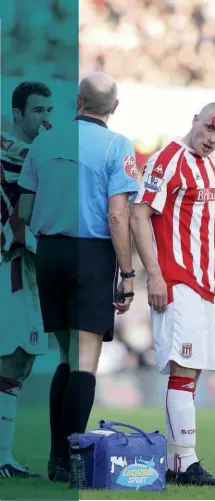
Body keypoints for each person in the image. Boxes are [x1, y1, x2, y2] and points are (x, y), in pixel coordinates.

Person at [18, 72, 138, 482]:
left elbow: (25, 208)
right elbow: (119, 214)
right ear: (114, 108)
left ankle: (55, 458)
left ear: (78, 103)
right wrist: (127, 272)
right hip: (91, 253)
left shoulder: (45, 141)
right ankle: (74, 459)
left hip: (49, 252)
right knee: (86, 362)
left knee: (66, 358)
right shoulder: (117, 144)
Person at [130, 103, 215, 486]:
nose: (213, 139)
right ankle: (185, 463)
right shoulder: (169, 158)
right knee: (183, 370)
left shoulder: (208, 166)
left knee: (189, 375)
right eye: (210, 129)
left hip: (203, 285)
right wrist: (154, 276)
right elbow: (139, 213)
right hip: (178, 282)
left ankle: (178, 464)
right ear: (195, 120)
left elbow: (202, 227)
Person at [0, 81, 53, 478]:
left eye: (49, 111)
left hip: (32, 265)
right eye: (38, 111)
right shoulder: (10, 151)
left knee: (20, 361)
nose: (46, 119)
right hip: (11, 264)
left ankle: (4, 457)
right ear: (17, 114)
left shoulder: (46, 153)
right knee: (12, 356)